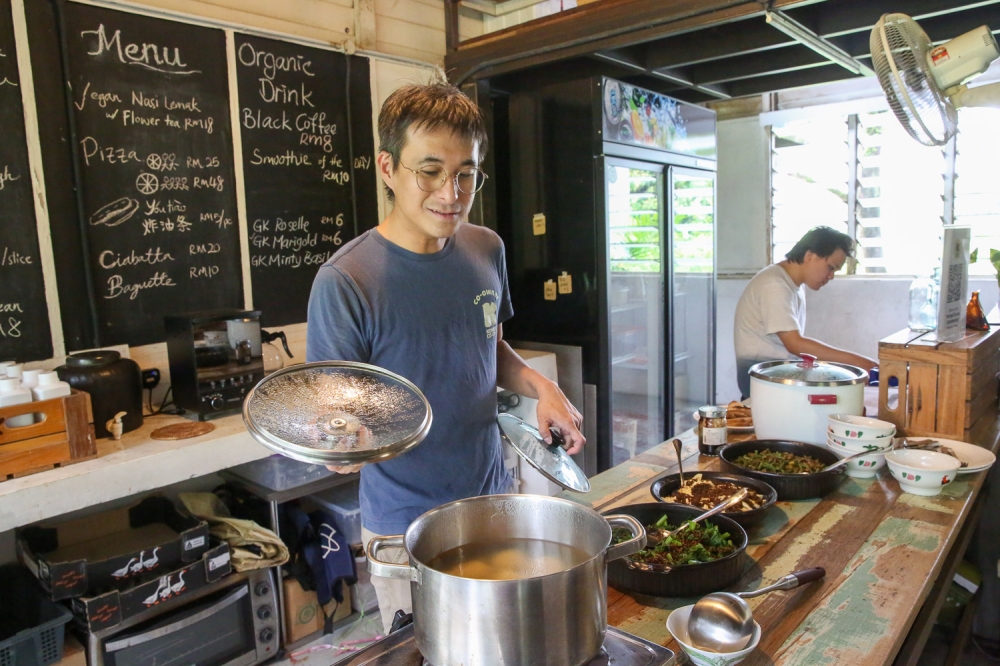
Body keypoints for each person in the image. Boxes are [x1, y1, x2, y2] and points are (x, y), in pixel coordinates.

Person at [305, 82, 585, 633]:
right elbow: (334, 417)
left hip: (493, 499)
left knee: (510, 639)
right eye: (429, 171)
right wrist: (338, 447)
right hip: (405, 527)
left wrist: (540, 386)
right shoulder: (346, 281)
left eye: (466, 173)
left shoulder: (487, 249)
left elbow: (488, 347)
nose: (451, 192)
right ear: (387, 167)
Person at [733, 226, 878, 398]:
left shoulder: (793, 285)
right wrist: (860, 364)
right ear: (809, 256)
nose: (831, 276)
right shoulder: (774, 285)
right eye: (830, 268)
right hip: (762, 381)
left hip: (776, 376)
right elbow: (795, 344)